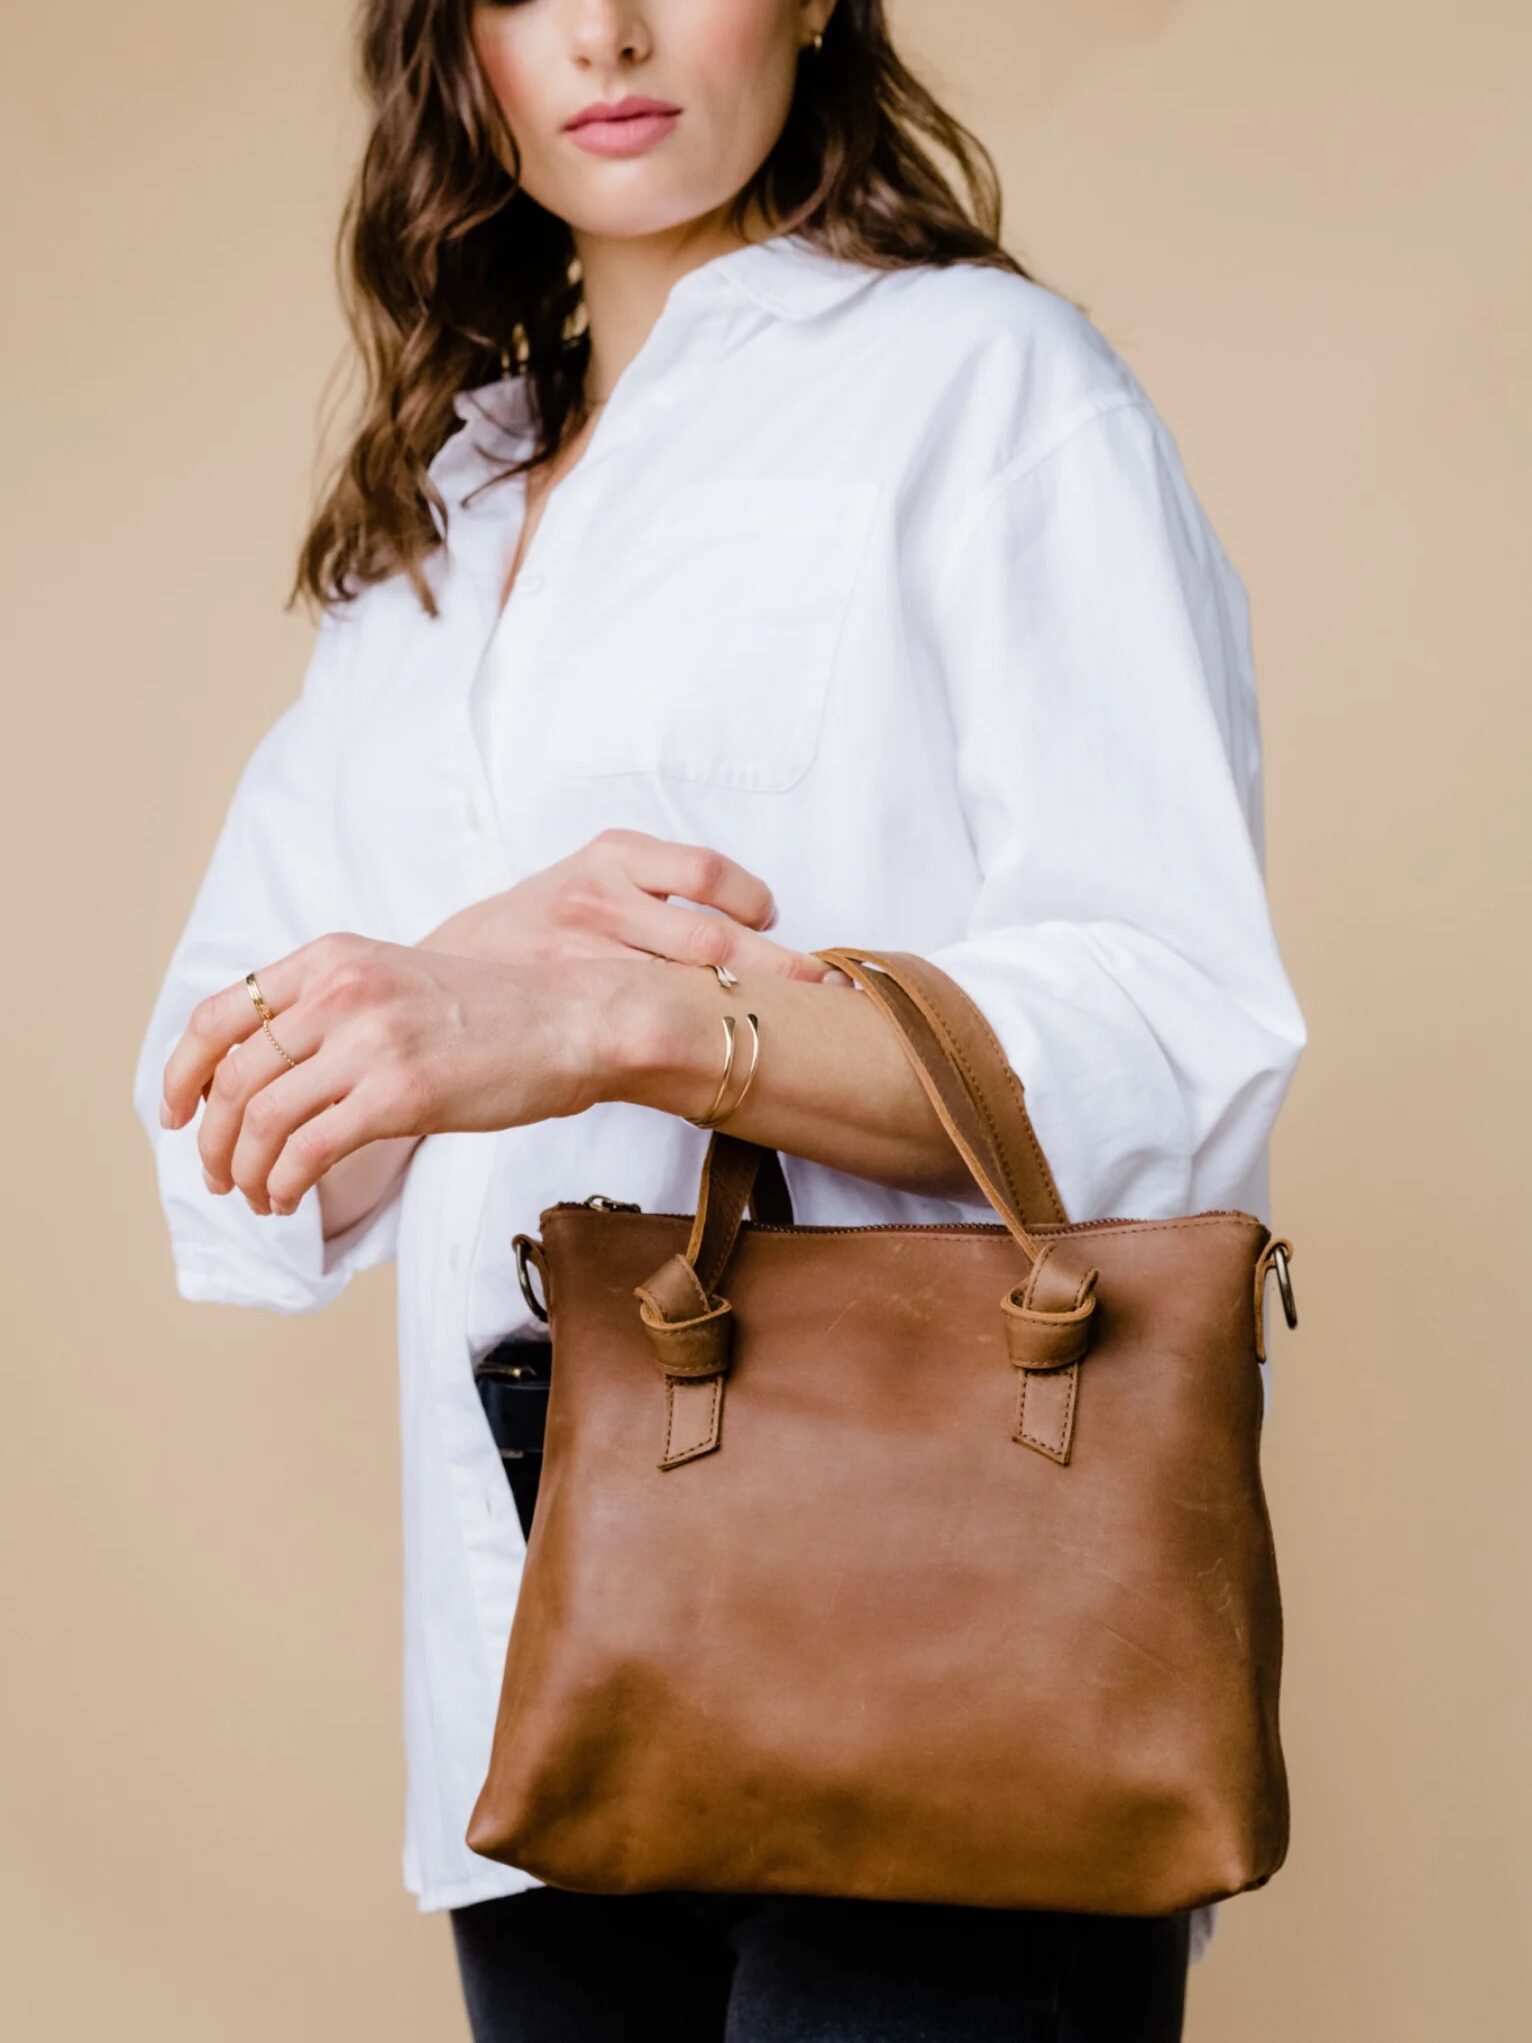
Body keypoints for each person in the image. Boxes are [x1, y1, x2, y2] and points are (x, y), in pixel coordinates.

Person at [132, 1, 1307, 2036]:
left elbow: (1172, 1029)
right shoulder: (438, 520)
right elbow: (213, 1130)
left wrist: (614, 1018)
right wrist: (474, 957)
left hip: (946, 1622)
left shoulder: (983, 389)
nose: (606, 30)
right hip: (542, 1678)